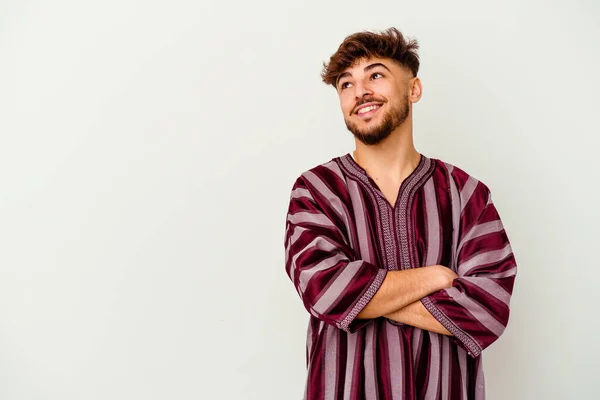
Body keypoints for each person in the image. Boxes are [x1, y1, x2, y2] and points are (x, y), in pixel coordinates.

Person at [283, 28, 517, 400]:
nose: (359, 92)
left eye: (375, 75)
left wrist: (362, 300)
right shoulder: (315, 191)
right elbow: (324, 290)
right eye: (346, 84)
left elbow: (488, 310)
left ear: (414, 89)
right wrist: (437, 277)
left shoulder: (466, 194)